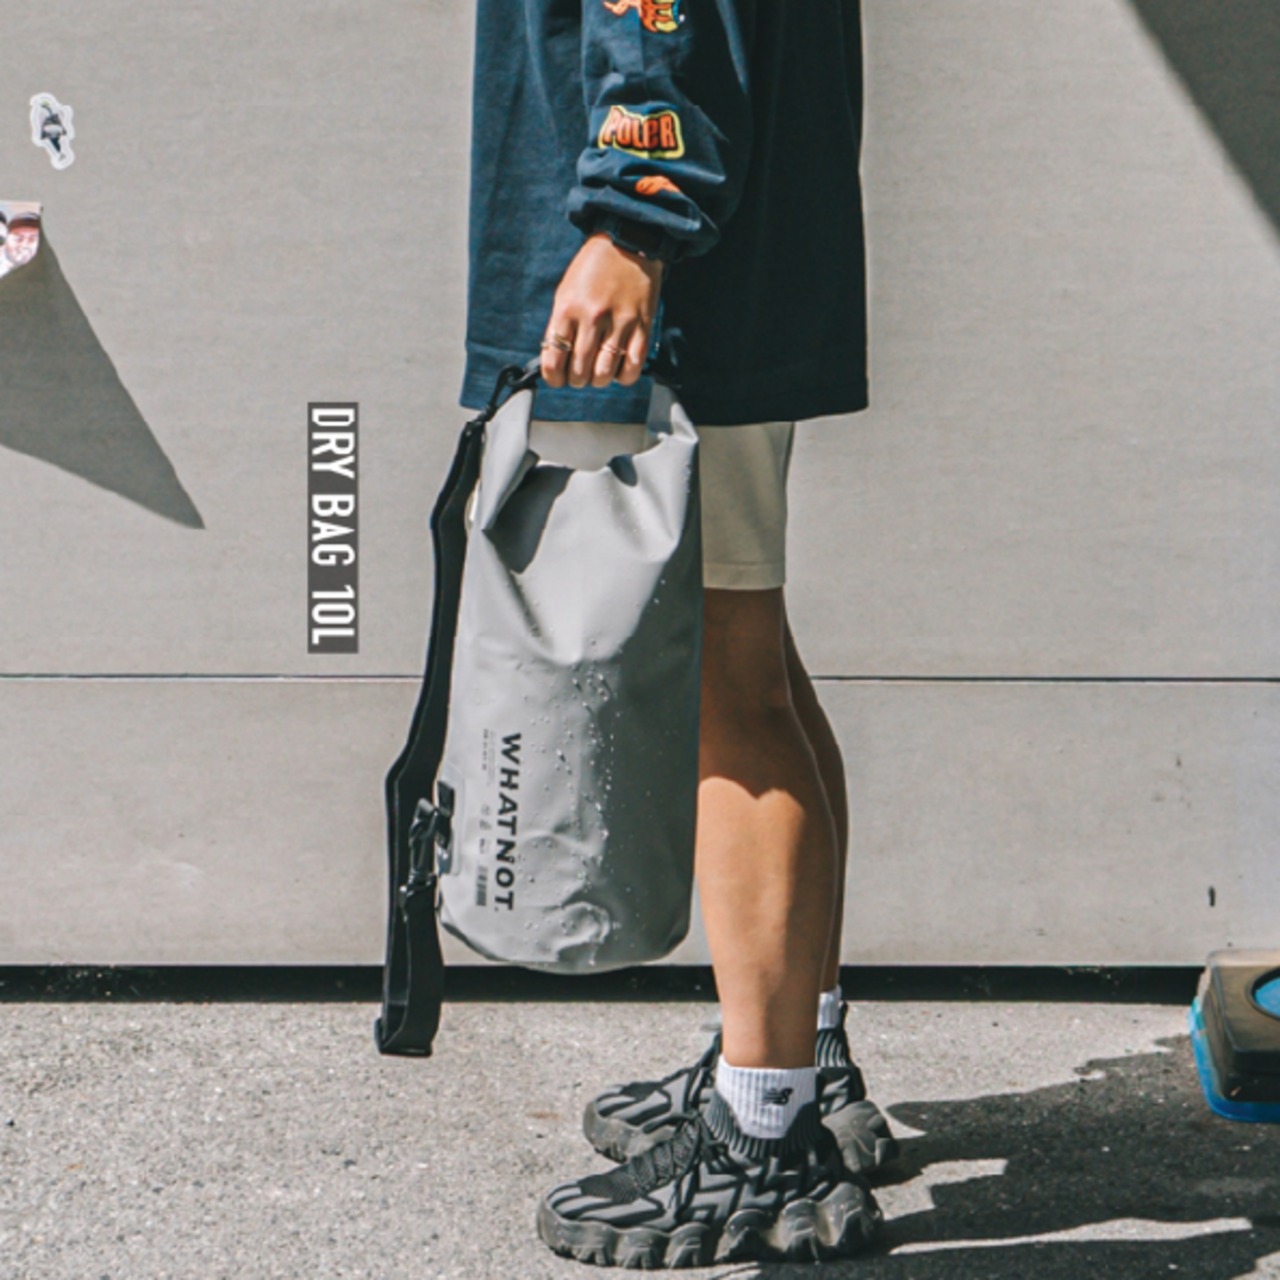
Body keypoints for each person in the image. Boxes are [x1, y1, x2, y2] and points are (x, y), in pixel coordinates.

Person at [460, 0, 892, 1265]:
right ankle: (796, 1052)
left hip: (678, 274)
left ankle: (763, 1133)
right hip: (718, 250)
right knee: (747, 659)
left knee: (726, 677)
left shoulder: (647, 226)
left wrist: (631, 219)